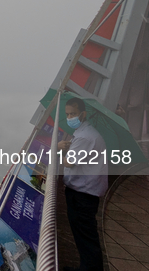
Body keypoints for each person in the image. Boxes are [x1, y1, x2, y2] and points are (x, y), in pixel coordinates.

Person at [57, 97, 108, 271]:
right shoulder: (84, 133)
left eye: (73, 114)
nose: (70, 117)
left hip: (83, 196)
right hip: (84, 193)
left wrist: (58, 150)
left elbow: (69, 162)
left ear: (83, 114)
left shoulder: (85, 137)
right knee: (83, 236)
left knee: (86, 237)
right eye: (67, 114)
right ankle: (85, 268)